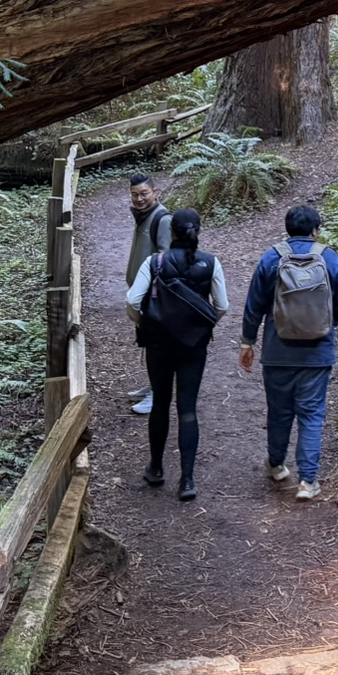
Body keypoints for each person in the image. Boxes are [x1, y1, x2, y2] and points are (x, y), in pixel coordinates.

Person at [238, 204, 338, 501]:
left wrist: (247, 341)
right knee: (311, 415)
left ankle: (276, 465)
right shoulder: (329, 258)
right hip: (317, 353)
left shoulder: (272, 258)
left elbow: (254, 305)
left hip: (277, 350)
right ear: (316, 230)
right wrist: (327, 324)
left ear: (288, 229)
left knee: (279, 411)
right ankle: (307, 481)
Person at [127, 208, 228, 499]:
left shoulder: (155, 262)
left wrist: (145, 323)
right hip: (193, 348)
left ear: (171, 233)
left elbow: (133, 300)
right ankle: (187, 481)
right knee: (187, 408)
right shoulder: (211, 263)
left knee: (160, 403)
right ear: (198, 230)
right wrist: (198, 327)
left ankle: (156, 468)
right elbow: (221, 306)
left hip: (159, 344)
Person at [125, 174, 174, 417]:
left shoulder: (162, 219)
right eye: (135, 194)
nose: (139, 199)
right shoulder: (143, 216)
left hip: (156, 297)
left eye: (144, 193)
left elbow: (166, 259)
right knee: (149, 343)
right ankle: (153, 385)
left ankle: (159, 393)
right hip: (144, 295)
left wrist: (156, 295)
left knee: (158, 346)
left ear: (155, 192)